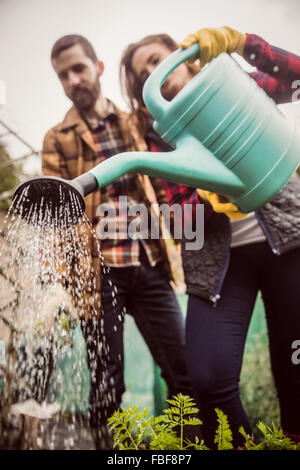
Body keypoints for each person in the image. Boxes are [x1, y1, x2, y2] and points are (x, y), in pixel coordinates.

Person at [120, 26, 300, 448]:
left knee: (295, 378)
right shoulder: (157, 140)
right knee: (207, 379)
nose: (155, 73)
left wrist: (243, 44)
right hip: (219, 265)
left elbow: (296, 79)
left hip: (290, 245)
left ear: (185, 56)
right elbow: (179, 217)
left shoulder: (239, 87)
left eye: (157, 60)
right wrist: (204, 195)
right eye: (142, 72)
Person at [41, 34, 194, 449]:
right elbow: (58, 217)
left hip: (148, 264)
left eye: (79, 69)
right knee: (107, 382)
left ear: (99, 68)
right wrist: (61, 281)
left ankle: (185, 449)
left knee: (183, 370)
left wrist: (179, 245)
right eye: (63, 75)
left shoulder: (134, 122)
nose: (73, 80)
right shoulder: (58, 138)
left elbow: (159, 188)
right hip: (97, 276)